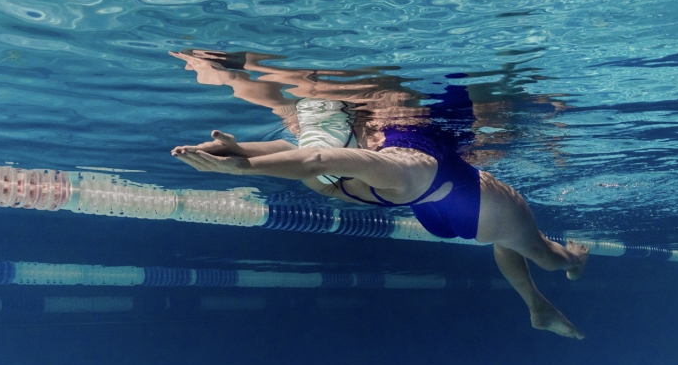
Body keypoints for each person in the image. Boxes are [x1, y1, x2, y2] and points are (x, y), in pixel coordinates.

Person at [170, 50, 589, 339]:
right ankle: (570, 265)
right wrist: (241, 161)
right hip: (479, 204)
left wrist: (237, 153)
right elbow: (311, 157)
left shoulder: (334, 177)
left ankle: (537, 305)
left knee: (512, 245)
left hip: (436, 208)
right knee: (547, 255)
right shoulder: (392, 166)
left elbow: (299, 156)